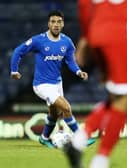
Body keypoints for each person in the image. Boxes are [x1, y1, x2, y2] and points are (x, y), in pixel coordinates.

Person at [64, 0, 127, 168]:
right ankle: (100, 161)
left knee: (116, 98)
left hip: (97, 33)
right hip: (122, 35)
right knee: (126, 100)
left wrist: (85, 37)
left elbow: (84, 4)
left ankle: (78, 141)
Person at [10, 10, 95, 148]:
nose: (56, 24)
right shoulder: (38, 40)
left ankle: (44, 138)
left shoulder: (66, 42)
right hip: (42, 84)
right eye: (53, 21)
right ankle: (81, 138)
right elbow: (18, 51)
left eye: (59, 21)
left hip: (57, 83)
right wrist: (14, 70)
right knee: (66, 108)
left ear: (63, 24)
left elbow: (70, 61)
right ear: (48, 24)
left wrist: (79, 72)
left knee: (54, 114)